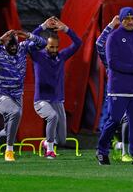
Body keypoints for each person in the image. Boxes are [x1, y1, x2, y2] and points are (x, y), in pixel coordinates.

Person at [96, 7, 133, 165]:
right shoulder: (113, 37)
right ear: (121, 20)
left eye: (132, 18)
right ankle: (101, 151)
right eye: (126, 19)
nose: (130, 22)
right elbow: (113, 63)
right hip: (118, 88)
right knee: (114, 120)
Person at [0, 29, 46, 161]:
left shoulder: (22, 48)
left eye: (15, 45)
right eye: (10, 46)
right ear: (5, 44)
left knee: (10, 127)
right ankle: (9, 151)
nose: (14, 48)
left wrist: (28, 35)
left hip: (16, 95)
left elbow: (42, 44)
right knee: (15, 113)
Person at [30, 16, 82, 159]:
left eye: (56, 47)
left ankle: (48, 142)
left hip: (57, 100)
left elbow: (78, 43)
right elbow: (30, 39)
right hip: (41, 100)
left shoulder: (61, 56)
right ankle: (50, 150)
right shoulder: (37, 55)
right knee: (52, 116)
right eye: (50, 47)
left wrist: (66, 29)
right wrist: (43, 26)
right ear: (45, 45)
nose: (53, 50)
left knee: (62, 140)